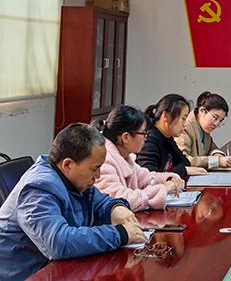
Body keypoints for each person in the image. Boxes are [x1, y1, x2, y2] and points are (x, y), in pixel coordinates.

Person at [0, 123, 146, 281]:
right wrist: (120, 234)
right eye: (94, 168)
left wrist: (115, 208)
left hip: (56, 268)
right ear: (68, 164)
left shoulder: (73, 178)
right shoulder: (38, 188)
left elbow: (99, 201)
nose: (98, 176)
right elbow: (58, 243)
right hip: (26, 275)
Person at [94, 105, 185, 211]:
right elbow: (118, 200)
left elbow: (145, 178)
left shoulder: (125, 156)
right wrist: (163, 188)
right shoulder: (104, 160)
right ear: (126, 137)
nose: (146, 138)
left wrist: (168, 179)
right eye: (143, 134)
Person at [137, 94, 205, 178]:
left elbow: (185, 162)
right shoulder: (148, 141)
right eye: (183, 119)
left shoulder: (167, 137)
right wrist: (183, 170)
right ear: (165, 116)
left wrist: (182, 169)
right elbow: (150, 178)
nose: (185, 125)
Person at [176, 91, 231, 169]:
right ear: (202, 111)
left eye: (220, 121)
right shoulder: (184, 128)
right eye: (215, 117)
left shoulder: (203, 128)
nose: (216, 124)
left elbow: (212, 149)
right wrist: (216, 161)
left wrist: (219, 156)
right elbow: (183, 160)